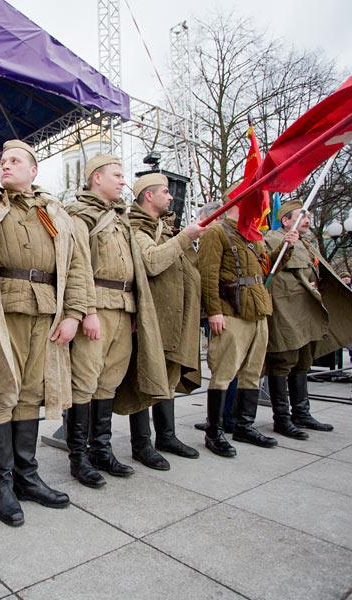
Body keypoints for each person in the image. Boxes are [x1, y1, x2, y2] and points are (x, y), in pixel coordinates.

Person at [0, 139, 89, 526]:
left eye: (14, 160)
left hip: (46, 311)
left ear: (33, 170)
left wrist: (74, 313)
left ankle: (27, 477)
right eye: (3, 160)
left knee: (30, 395)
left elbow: (74, 266)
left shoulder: (55, 212)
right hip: (1, 308)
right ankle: (2, 484)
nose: (5, 165)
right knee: (3, 395)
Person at [64, 155, 169, 481]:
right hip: (97, 307)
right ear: (97, 178)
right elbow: (77, 266)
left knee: (108, 381)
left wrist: (136, 309)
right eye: (117, 174)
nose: (123, 181)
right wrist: (87, 311)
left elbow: (135, 269)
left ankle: (102, 451)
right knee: (84, 382)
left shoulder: (121, 218)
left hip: (124, 308)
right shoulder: (79, 215)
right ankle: (78, 458)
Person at [126, 172, 205, 465]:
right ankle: (142, 444)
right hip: (152, 318)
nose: (171, 197)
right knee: (145, 377)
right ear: (148, 195)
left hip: (174, 317)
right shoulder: (137, 228)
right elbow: (152, 262)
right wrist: (185, 238)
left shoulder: (165, 227)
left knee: (168, 376)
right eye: (164, 191)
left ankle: (167, 435)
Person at [197, 198, 276, 457]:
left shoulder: (252, 235)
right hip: (231, 311)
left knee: (252, 373)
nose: (257, 209)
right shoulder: (217, 232)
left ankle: (244, 425)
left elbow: (264, 269)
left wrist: (283, 248)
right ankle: (214, 431)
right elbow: (208, 275)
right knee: (224, 373)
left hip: (258, 311)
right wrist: (214, 311)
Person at [263, 201, 332, 437]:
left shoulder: (308, 244)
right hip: (285, 309)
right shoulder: (274, 239)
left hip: (305, 310)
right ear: (285, 220)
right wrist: (286, 244)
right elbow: (271, 265)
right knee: (283, 360)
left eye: (308, 216)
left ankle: (301, 412)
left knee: (303, 360)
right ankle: (281, 418)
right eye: (302, 216)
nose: (307, 220)